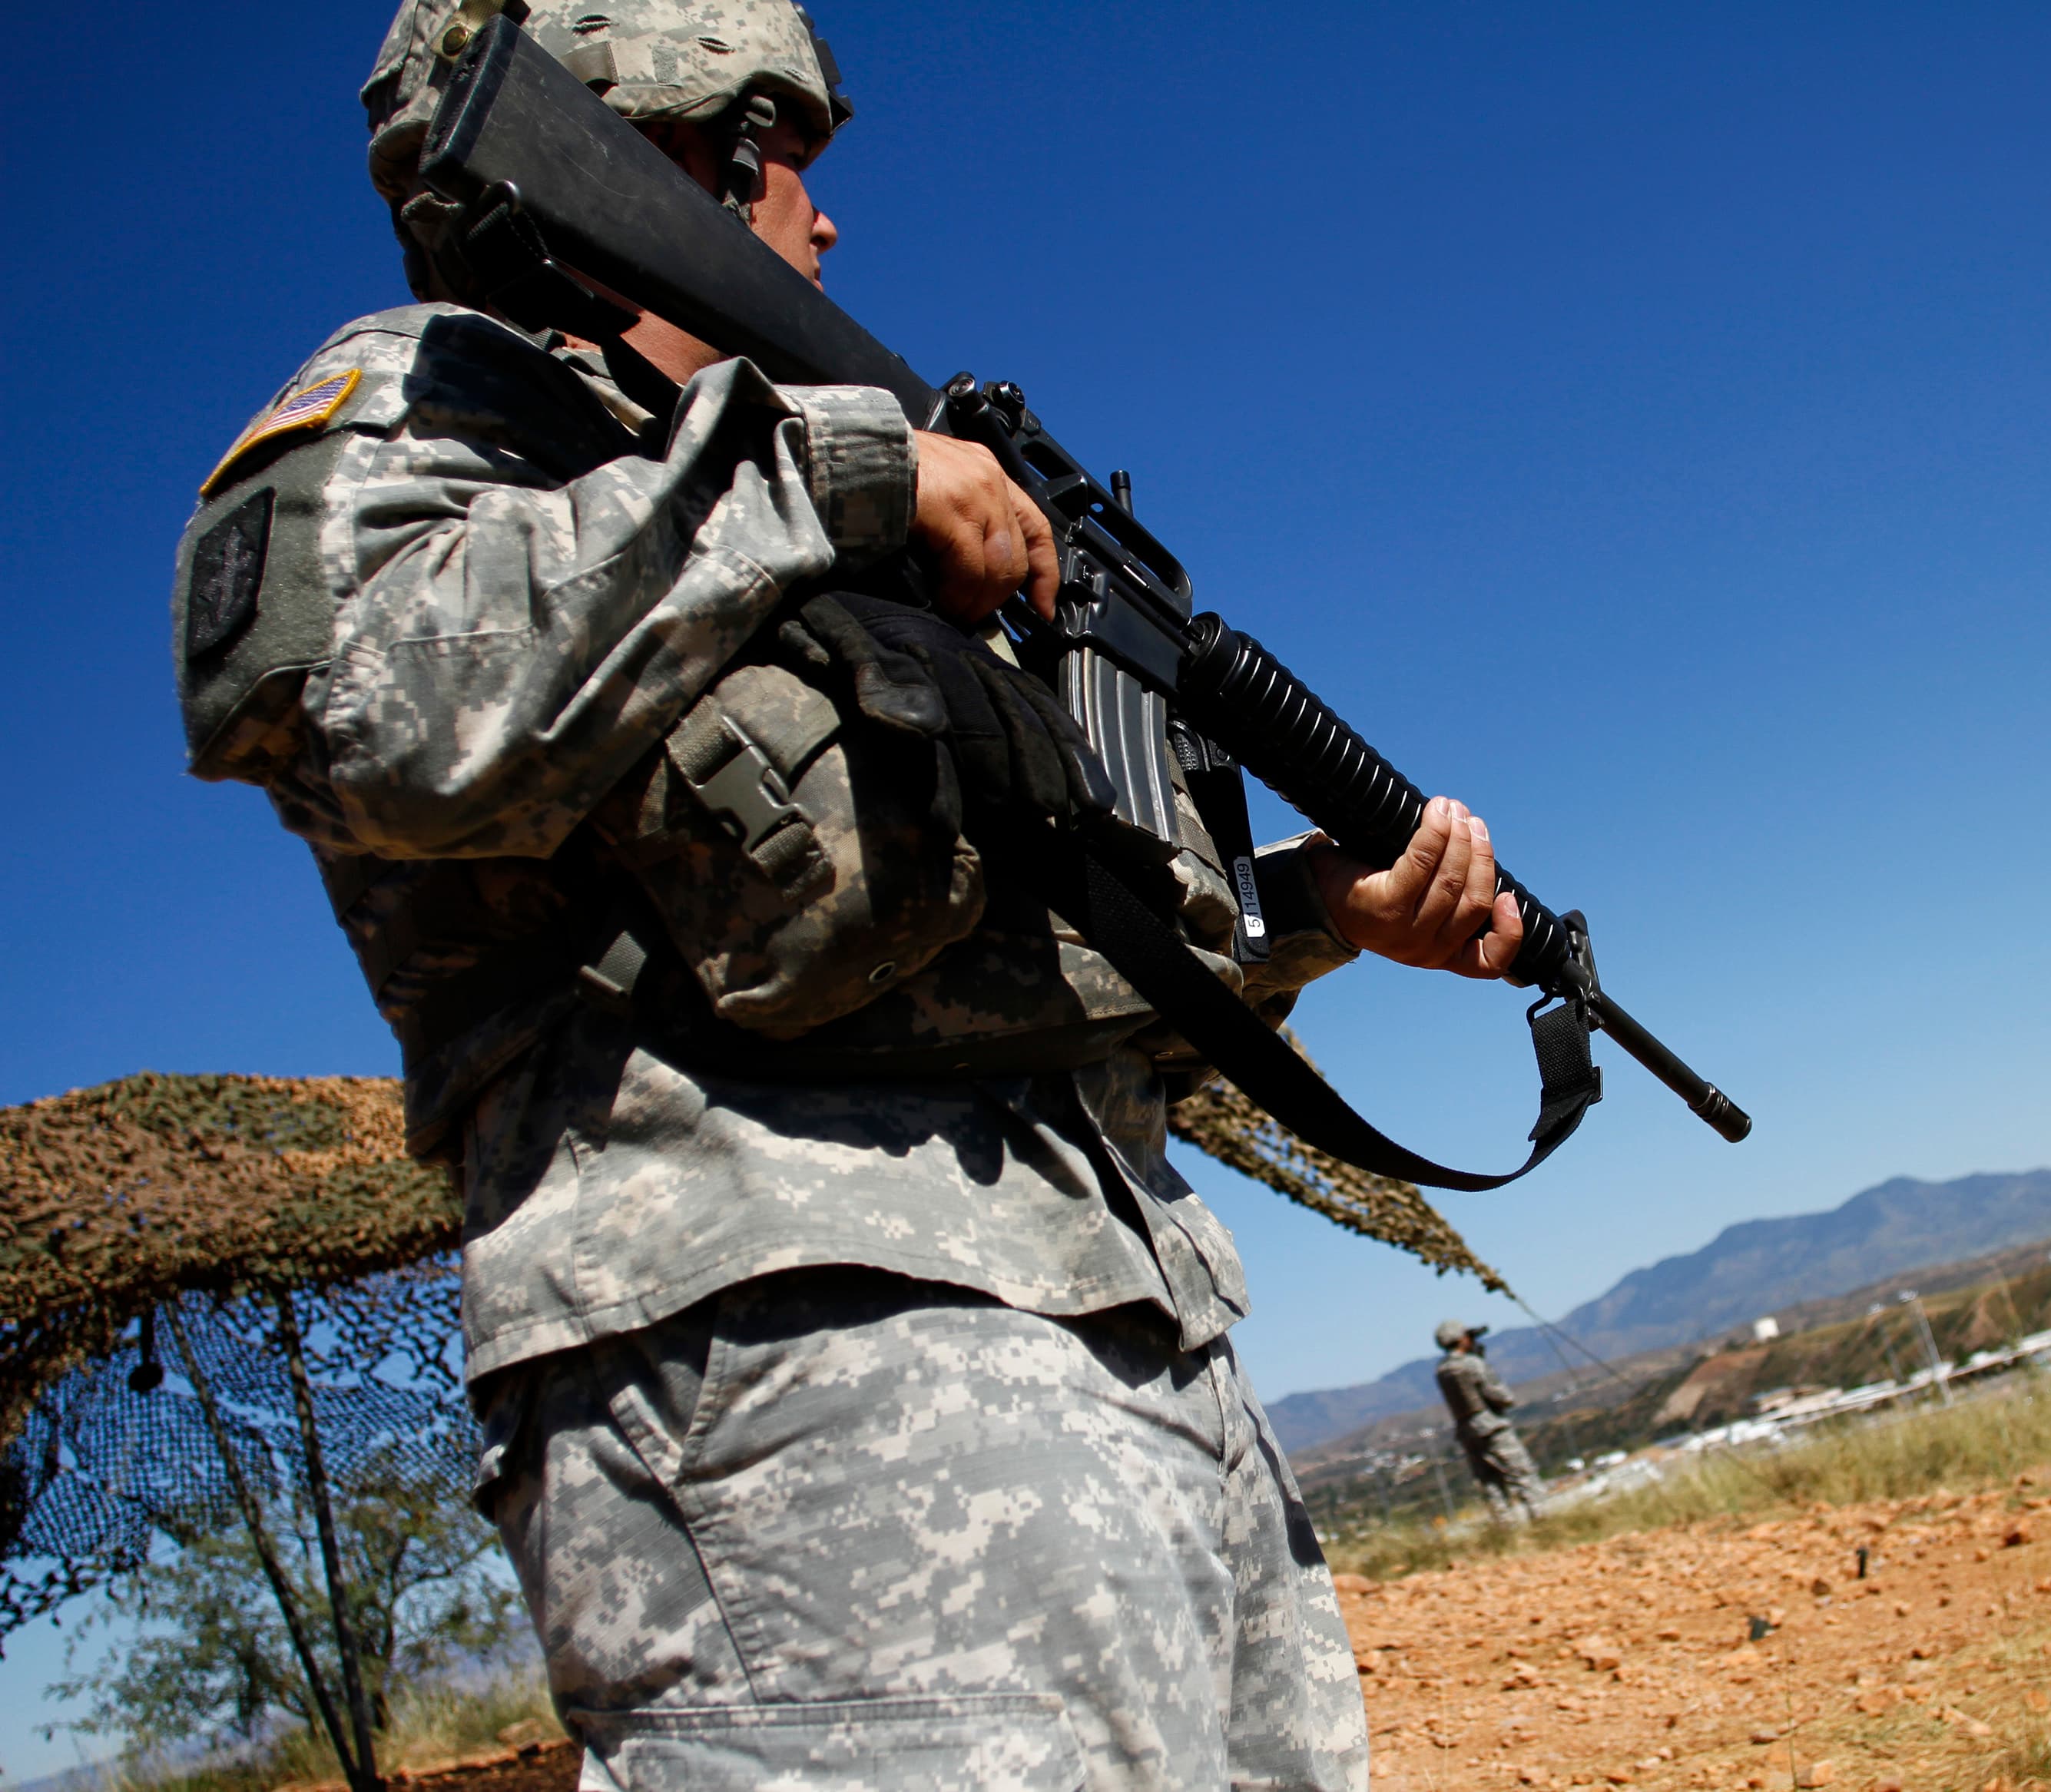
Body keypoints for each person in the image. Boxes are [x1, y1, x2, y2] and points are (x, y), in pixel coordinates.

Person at [170, 4, 1533, 1785]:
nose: (830, 223)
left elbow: (1020, 949)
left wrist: (1314, 914)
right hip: (802, 1395)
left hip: (1138, 1346)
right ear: (678, 144)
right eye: (794, 158)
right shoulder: (436, 421)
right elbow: (341, 696)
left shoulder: (797, 523)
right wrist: (838, 470)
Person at [1432, 1319, 1545, 1525]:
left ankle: (1505, 1527)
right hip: (1491, 1426)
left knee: (1491, 1483)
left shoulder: (1442, 1371)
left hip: (1467, 1432)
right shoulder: (1472, 1364)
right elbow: (1500, 1396)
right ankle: (1541, 1519)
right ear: (1460, 1339)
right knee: (1522, 1474)